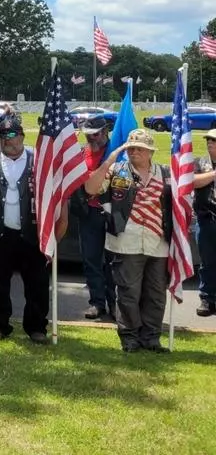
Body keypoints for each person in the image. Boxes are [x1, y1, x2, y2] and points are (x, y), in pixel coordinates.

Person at [0, 115, 65, 344]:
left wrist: (57, 228)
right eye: (3, 136)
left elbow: (56, 195)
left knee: (37, 283)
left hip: (32, 233)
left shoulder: (38, 160)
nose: (8, 141)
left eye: (13, 135)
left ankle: (36, 327)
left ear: (22, 136)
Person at [84, 129, 173, 353]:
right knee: (128, 294)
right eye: (131, 148)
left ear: (150, 151)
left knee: (155, 294)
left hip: (158, 242)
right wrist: (109, 161)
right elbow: (90, 189)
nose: (134, 152)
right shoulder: (117, 171)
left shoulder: (165, 173)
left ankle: (151, 338)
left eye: (140, 149)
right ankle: (130, 338)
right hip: (126, 242)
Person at [69, 116, 116, 320]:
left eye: (95, 134)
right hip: (89, 212)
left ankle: (115, 303)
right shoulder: (81, 153)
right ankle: (97, 302)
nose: (91, 138)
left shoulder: (116, 153)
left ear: (105, 132)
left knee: (114, 261)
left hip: (113, 212)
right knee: (91, 260)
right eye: (88, 135)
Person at [192, 130, 216, 318]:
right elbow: (193, 182)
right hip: (207, 219)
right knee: (207, 262)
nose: (210, 144)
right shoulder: (200, 163)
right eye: (209, 141)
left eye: (214, 142)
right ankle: (207, 298)